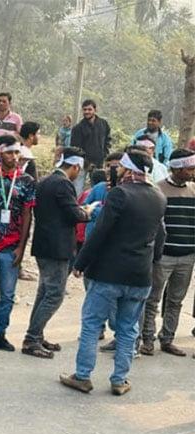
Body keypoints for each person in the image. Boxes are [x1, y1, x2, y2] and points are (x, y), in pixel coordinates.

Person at [62, 151, 166, 396]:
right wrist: (153, 261)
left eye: (120, 167)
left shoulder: (120, 194)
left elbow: (101, 231)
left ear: (128, 170)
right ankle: (120, 380)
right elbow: (160, 236)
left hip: (109, 274)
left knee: (91, 323)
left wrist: (81, 261)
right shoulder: (159, 197)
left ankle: (83, 376)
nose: (115, 170)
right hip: (140, 276)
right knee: (128, 328)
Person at [22, 147, 90, 358]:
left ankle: (36, 335)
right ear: (75, 166)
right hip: (56, 248)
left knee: (44, 292)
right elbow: (73, 213)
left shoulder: (44, 181)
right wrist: (88, 211)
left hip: (44, 245)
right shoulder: (62, 184)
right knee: (54, 295)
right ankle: (32, 339)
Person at [138, 149, 195, 357]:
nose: (192, 172)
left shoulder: (194, 190)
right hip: (164, 256)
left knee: (176, 300)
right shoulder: (158, 190)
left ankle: (167, 339)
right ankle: (147, 339)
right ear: (177, 169)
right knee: (152, 298)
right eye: (189, 168)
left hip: (187, 256)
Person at [0, 141, 35, 351]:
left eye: (17, 152)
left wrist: (21, 247)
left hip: (11, 245)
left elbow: (27, 213)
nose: (14, 156)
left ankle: (0, 333)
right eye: (10, 152)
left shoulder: (26, 180)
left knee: (7, 295)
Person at [70, 99, 112, 196]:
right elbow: (76, 149)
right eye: (85, 110)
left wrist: (105, 156)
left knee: (98, 188)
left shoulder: (103, 124)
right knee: (77, 189)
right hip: (82, 164)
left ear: (95, 110)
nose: (87, 112)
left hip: (99, 163)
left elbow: (107, 140)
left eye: (89, 109)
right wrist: (86, 163)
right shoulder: (78, 128)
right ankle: (76, 208)